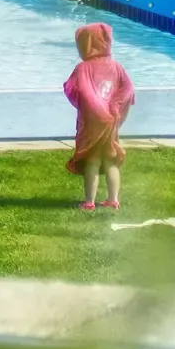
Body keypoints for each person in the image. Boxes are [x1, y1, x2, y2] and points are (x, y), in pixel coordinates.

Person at [64, 22, 136, 210]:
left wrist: (97, 109)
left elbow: (74, 90)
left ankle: (89, 202)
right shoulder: (117, 67)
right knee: (111, 159)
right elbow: (128, 89)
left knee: (92, 161)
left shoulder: (83, 68)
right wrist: (115, 106)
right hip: (111, 120)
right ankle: (113, 199)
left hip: (93, 122)